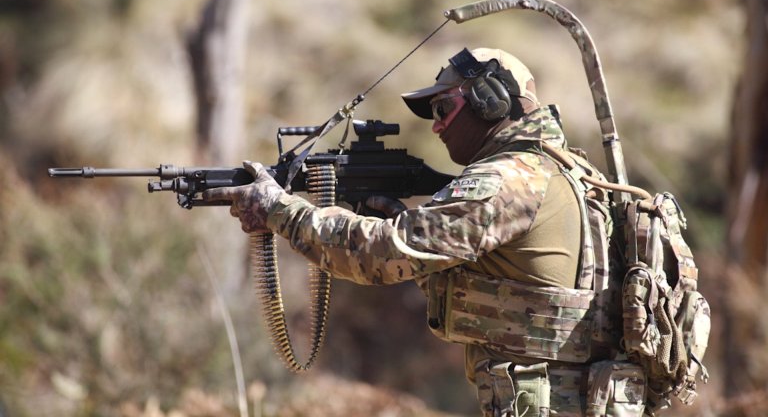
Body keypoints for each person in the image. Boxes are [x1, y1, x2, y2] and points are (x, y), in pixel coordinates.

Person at [204, 48, 630, 416]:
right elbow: (508, 286)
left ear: (490, 100)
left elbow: (385, 254)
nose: (437, 126)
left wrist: (279, 211)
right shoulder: (568, 168)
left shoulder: (509, 180)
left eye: (443, 109)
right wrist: (399, 217)